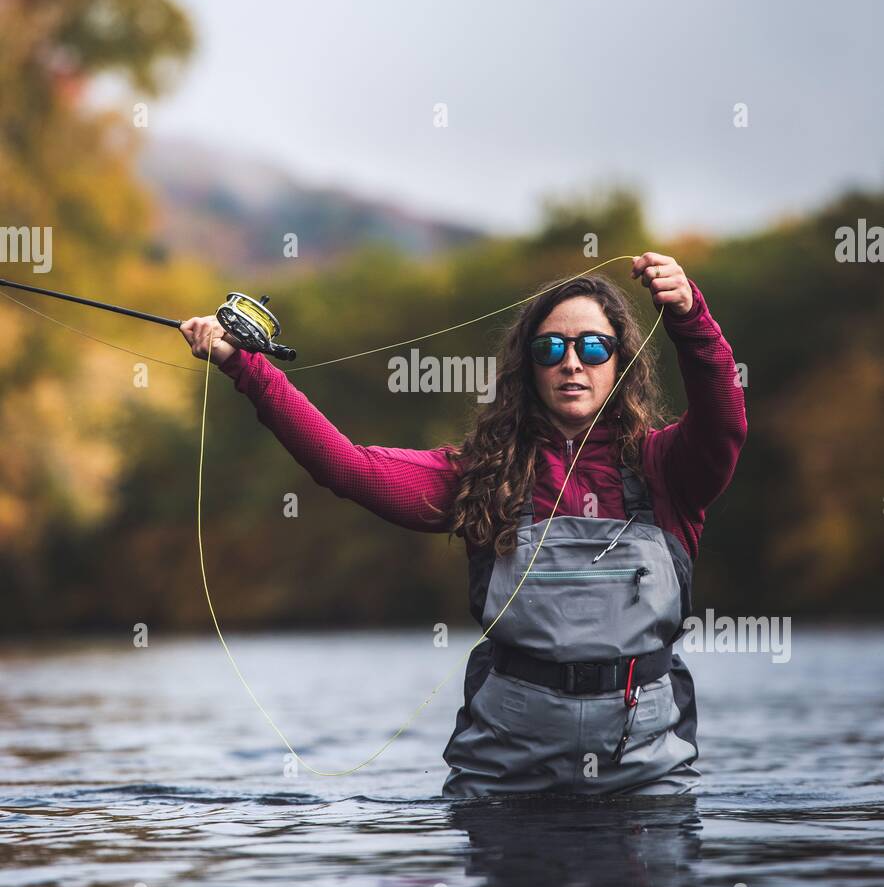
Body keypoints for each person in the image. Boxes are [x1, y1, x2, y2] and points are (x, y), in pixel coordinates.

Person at [179, 252, 747, 798]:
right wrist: (244, 365)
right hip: (505, 777)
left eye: (594, 346)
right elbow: (347, 467)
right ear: (529, 369)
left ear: (620, 361)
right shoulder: (482, 477)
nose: (572, 362)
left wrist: (690, 319)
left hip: (646, 774)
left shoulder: (668, 470)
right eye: (551, 348)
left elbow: (724, 420)